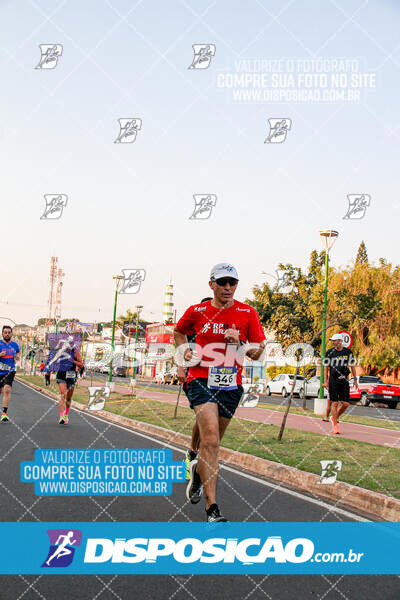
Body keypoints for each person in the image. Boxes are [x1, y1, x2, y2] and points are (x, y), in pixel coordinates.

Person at [174, 264, 266, 522]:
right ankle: (212, 508)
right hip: (201, 379)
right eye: (223, 282)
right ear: (211, 284)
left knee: (212, 442)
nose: (228, 288)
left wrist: (242, 344)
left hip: (230, 385)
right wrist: (185, 353)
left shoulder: (248, 313)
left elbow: (258, 352)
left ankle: (196, 474)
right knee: (211, 440)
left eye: (232, 283)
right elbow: (178, 333)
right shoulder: (197, 311)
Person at [183, 297, 212, 481]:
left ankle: (201, 456)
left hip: (218, 379)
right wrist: (180, 369)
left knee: (212, 419)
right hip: (196, 377)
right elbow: (180, 349)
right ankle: (193, 453)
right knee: (203, 416)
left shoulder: (224, 327)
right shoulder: (193, 328)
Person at [322, 333, 358, 435]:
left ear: (340, 341)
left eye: (335, 340)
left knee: (346, 403)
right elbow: (325, 367)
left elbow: (352, 366)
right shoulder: (329, 352)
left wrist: (355, 379)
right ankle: (335, 426)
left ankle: (335, 417)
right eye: (332, 341)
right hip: (333, 380)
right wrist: (325, 381)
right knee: (335, 403)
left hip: (344, 380)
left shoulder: (348, 352)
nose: (333, 342)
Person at [46, 336, 84, 424]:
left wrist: (73, 361)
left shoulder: (76, 353)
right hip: (62, 375)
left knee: (68, 398)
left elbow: (81, 365)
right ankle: (61, 416)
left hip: (71, 376)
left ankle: (66, 414)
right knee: (63, 394)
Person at [0, 326, 20, 422]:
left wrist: (17, 358)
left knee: (7, 389)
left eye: (9, 332)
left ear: (11, 334)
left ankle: (4, 413)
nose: (7, 334)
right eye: (5, 332)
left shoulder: (15, 345)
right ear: (2, 334)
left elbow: (17, 355)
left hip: (10, 371)